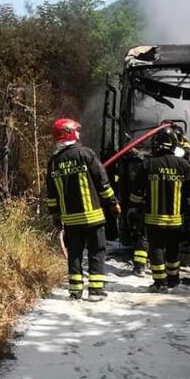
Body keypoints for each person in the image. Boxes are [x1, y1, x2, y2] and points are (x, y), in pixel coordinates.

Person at [46, 118, 119, 301]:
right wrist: (113, 202)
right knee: (96, 250)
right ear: (69, 132)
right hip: (92, 216)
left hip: (70, 220)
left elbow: (52, 193)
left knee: (75, 253)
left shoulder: (54, 162)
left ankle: (75, 291)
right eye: (76, 131)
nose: (79, 134)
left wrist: (55, 215)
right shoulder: (86, 154)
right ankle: (95, 291)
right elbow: (103, 183)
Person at [129, 127, 190, 292]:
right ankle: (173, 279)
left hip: (153, 219)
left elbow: (137, 191)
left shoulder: (148, 164)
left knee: (156, 249)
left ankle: (160, 283)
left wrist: (134, 209)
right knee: (173, 248)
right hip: (175, 218)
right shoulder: (183, 165)